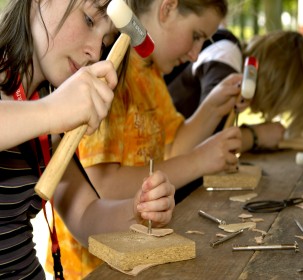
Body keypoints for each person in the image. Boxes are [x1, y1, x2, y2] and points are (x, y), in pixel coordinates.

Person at [46, 0, 242, 278]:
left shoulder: (150, 71)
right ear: (168, 8)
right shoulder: (112, 71)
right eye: (196, 36)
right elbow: (103, 186)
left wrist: (213, 105)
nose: (197, 54)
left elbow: (172, 148)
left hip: (141, 256)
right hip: (95, 266)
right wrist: (200, 161)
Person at [0, 1, 175, 279]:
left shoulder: (48, 108)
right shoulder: (50, 110)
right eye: (89, 20)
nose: (95, 52)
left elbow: (84, 215)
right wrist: (52, 111)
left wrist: (137, 210)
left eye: (106, 41)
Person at [166, 28, 303, 152]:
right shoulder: (225, 59)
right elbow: (209, 149)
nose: (266, 114)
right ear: (273, 87)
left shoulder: (228, 53)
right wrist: (256, 136)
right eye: (277, 106)